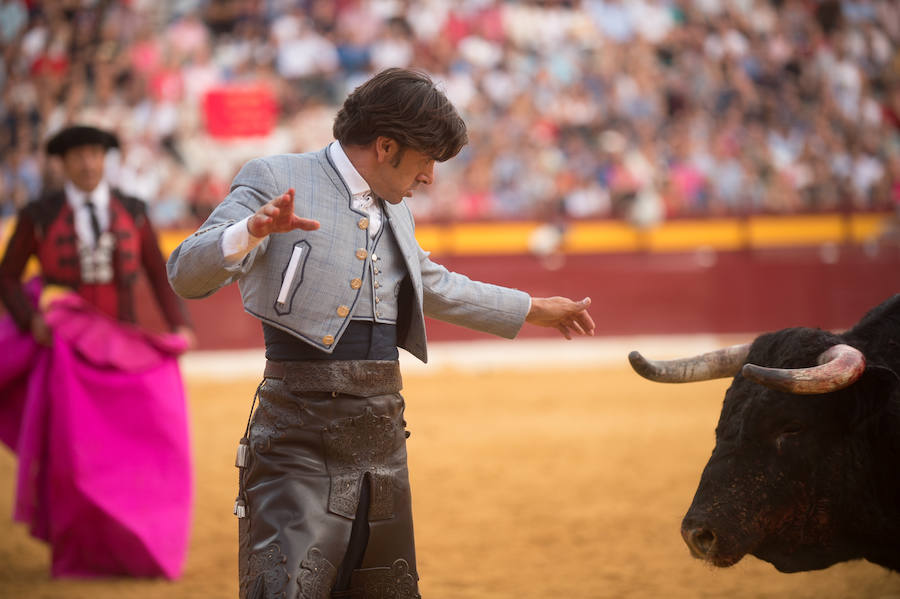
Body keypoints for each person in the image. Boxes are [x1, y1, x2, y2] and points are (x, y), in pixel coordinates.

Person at [167, 68, 595, 599]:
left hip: (382, 435)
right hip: (297, 435)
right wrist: (249, 231)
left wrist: (532, 308)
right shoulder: (276, 177)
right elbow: (186, 271)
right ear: (386, 146)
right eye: (425, 162)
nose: (429, 179)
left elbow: (431, 285)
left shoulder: (395, 210)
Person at [0, 124, 195, 579]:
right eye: (77, 156)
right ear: (62, 163)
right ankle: (80, 553)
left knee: (133, 452)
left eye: (94, 154)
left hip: (123, 351)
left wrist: (180, 324)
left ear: (105, 159)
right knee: (73, 459)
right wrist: (30, 321)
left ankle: (129, 546)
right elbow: (7, 276)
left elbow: (157, 270)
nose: (88, 163)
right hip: (67, 356)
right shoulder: (39, 213)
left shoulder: (133, 210)